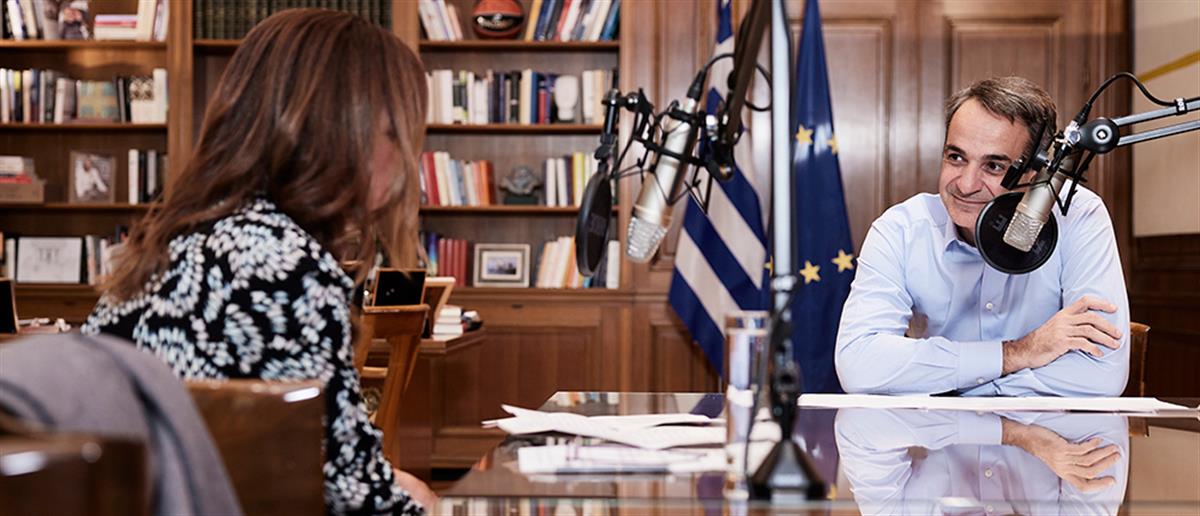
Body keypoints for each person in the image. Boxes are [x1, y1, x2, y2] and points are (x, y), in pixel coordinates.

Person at [82, 9, 436, 514]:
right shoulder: (284, 268)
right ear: (344, 134)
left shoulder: (175, 240)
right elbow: (361, 505)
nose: (408, 159)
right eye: (397, 134)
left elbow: (319, 465)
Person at [836, 76, 1130, 397]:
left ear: (1037, 174)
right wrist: (1017, 353)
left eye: (993, 166)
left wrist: (953, 382)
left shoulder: (1077, 216)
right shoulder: (900, 230)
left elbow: (1103, 374)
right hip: (941, 431)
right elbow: (858, 364)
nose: (966, 185)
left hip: (1038, 431)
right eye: (956, 157)